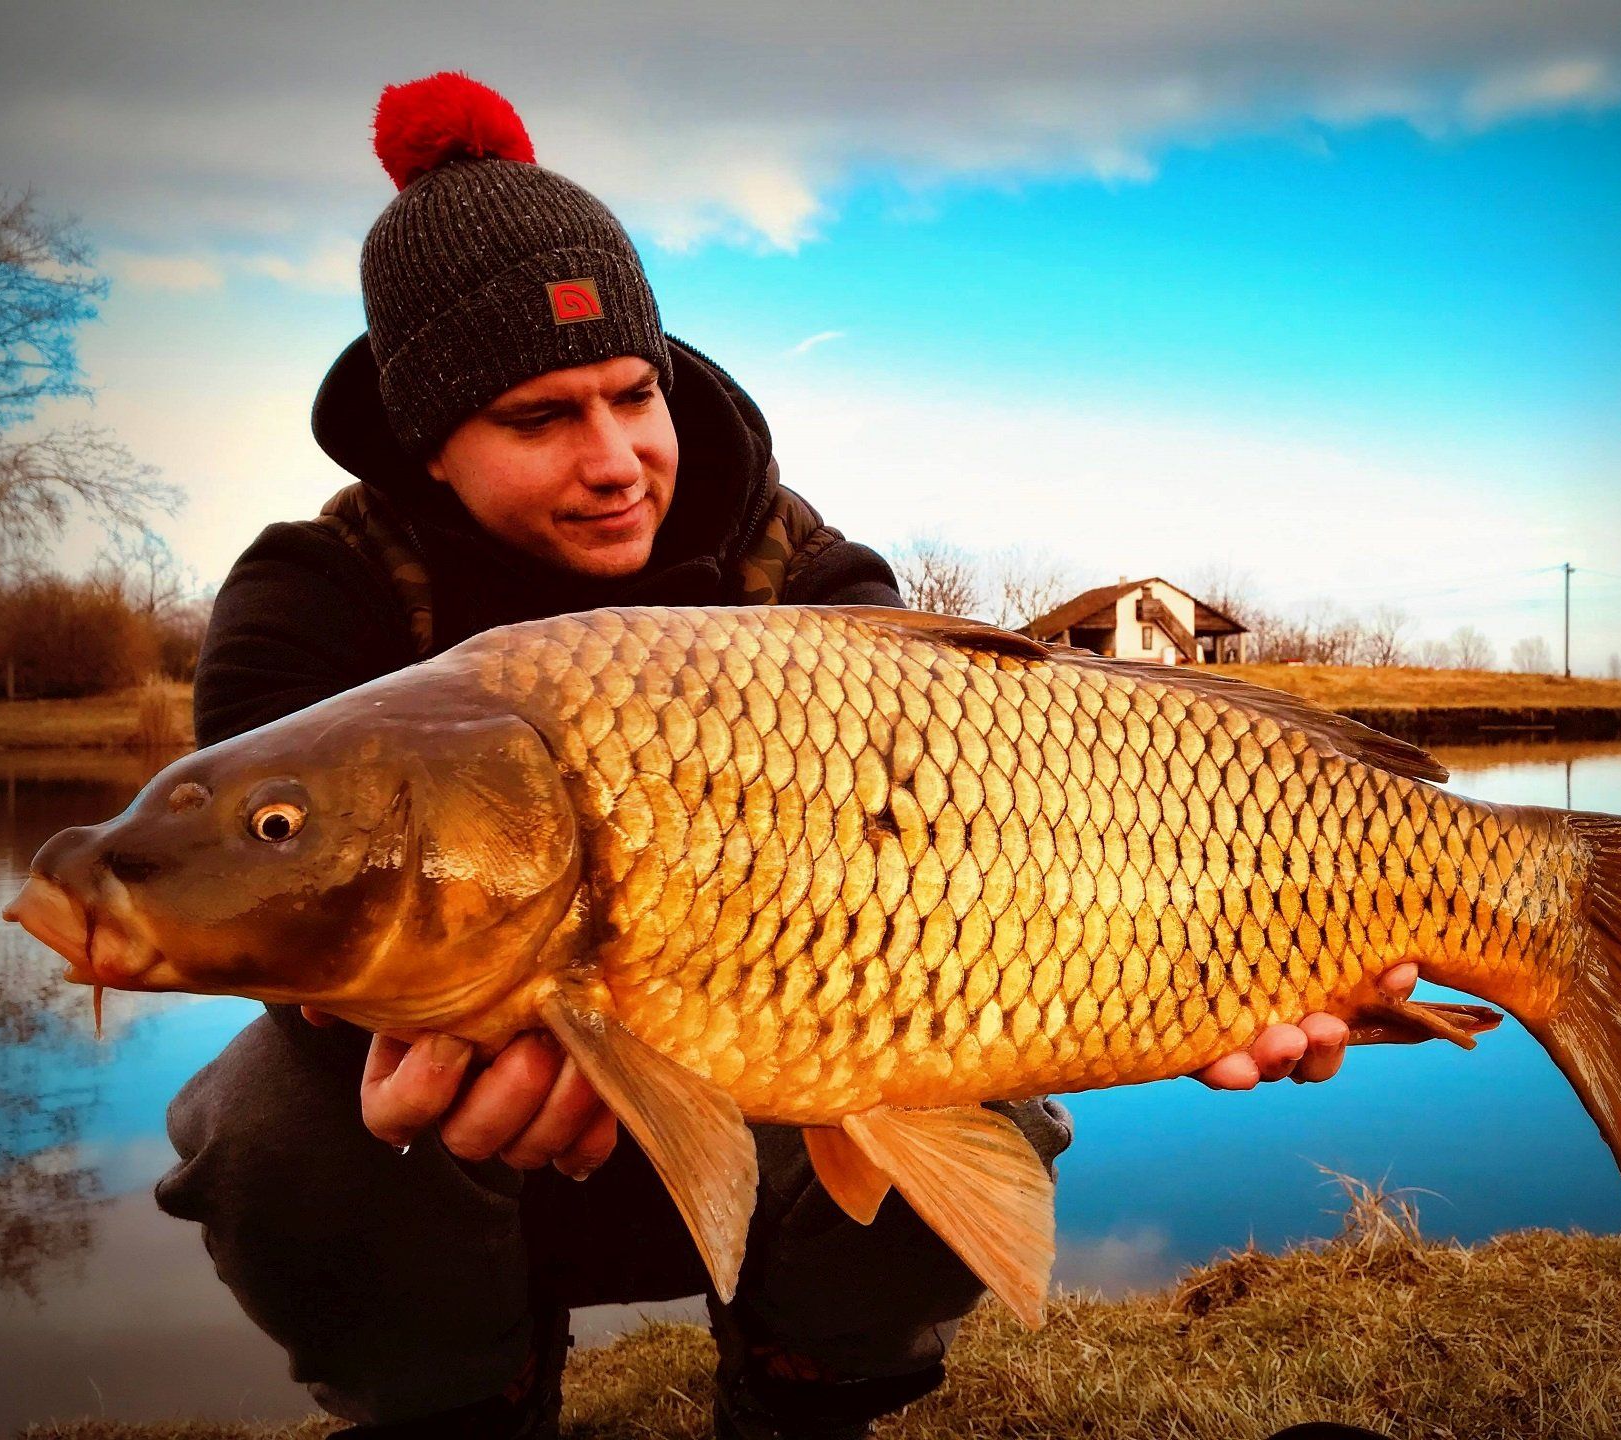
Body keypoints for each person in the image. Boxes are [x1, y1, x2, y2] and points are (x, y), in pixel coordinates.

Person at [154, 72, 1407, 1440]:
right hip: (463, 1144)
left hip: (793, 1081)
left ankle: (809, 1398)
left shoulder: (809, 576)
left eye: (635, 395)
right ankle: (465, 1409)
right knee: (269, 1133)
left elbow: (997, 887)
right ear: (427, 446)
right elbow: (272, 917)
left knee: (973, 1069)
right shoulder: (309, 604)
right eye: (539, 418)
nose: (618, 458)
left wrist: (1236, 957)